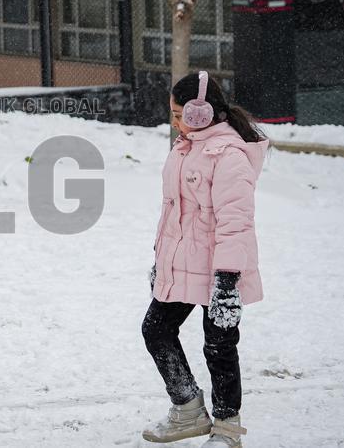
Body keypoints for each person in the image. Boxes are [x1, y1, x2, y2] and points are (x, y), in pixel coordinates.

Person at [141, 72, 269, 447]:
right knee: (156, 329)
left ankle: (228, 430)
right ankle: (188, 409)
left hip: (220, 272)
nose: (175, 121)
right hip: (183, 263)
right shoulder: (185, 147)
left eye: (180, 113)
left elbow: (236, 224)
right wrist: (161, 261)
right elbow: (172, 213)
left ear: (201, 113)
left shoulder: (229, 156)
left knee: (219, 347)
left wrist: (227, 282)